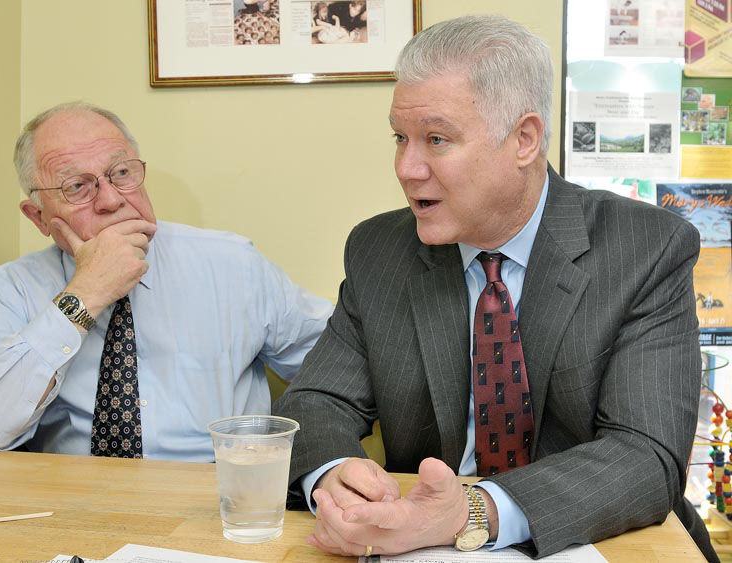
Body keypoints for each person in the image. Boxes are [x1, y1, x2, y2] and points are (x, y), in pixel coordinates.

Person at [273, 15, 716, 562]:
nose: (406, 168)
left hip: (590, 543)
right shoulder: (378, 250)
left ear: (524, 139)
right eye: (400, 138)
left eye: (437, 139)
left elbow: (647, 454)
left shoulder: (645, 248)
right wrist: (333, 476)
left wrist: (474, 510)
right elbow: (318, 401)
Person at [0, 102, 333, 460]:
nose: (110, 199)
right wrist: (85, 294)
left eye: (121, 173)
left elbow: (343, 367)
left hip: (217, 500)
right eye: (77, 186)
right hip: (72, 507)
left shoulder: (232, 265)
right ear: (38, 216)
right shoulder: (13, 287)